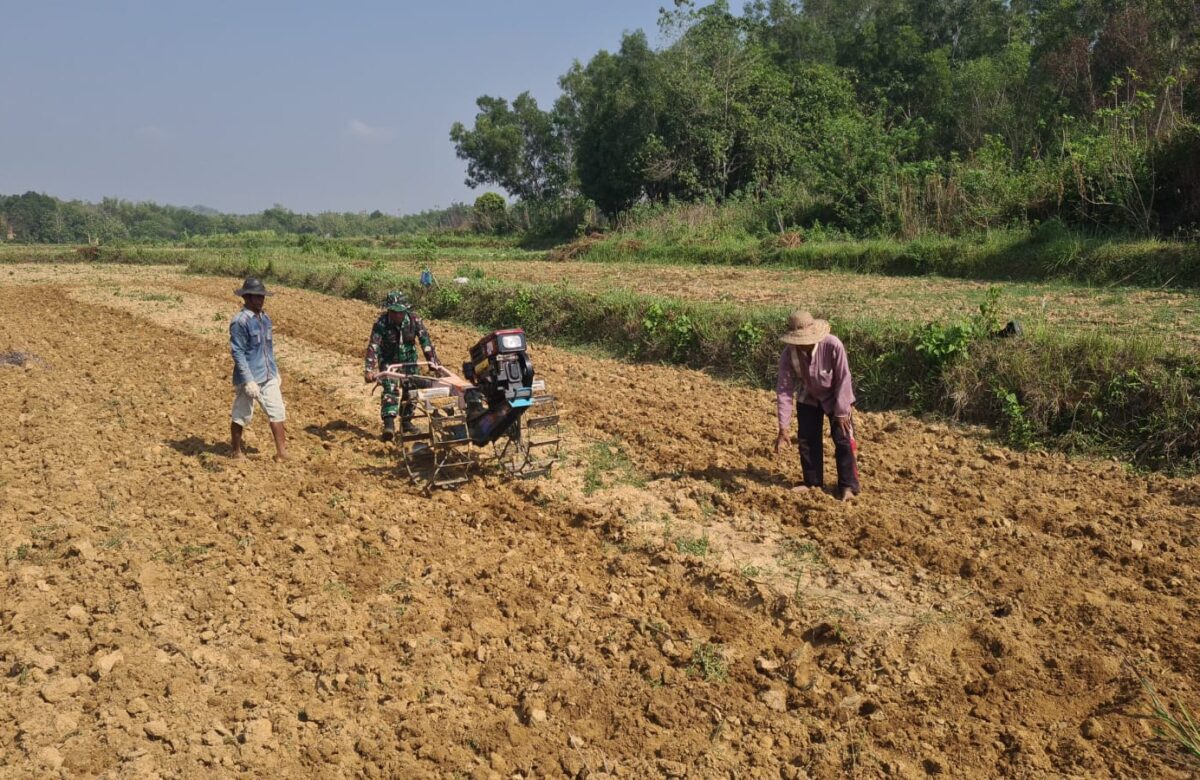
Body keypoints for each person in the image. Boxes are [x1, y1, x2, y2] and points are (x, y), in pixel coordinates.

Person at [774, 310, 859, 500]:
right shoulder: (789, 354)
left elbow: (844, 378)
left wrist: (842, 412)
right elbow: (784, 390)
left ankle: (848, 487)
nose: (803, 345)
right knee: (807, 440)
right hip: (809, 396)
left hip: (836, 396)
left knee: (843, 439)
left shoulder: (832, 345)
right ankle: (812, 483)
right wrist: (783, 428)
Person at [363, 291, 441, 441]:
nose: (397, 315)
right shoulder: (382, 323)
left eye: (400, 312)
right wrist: (369, 369)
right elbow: (374, 346)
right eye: (393, 312)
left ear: (405, 310)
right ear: (389, 310)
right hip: (389, 361)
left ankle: (406, 422)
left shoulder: (414, 320)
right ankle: (389, 425)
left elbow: (425, 342)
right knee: (390, 389)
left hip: (409, 360)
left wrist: (434, 364)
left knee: (412, 391)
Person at [229, 278, 288, 461]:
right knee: (242, 414)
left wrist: (275, 371)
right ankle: (236, 451)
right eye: (255, 297)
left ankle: (282, 453)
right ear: (246, 297)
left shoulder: (265, 318)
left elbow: (268, 349)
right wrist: (248, 380)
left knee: (277, 411)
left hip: (268, 374)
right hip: (250, 377)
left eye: (262, 296)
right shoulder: (240, 322)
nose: (260, 300)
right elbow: (237, 352)